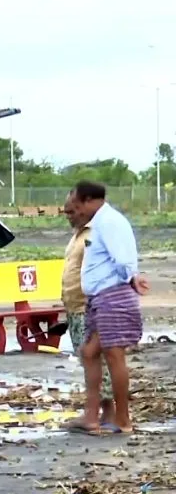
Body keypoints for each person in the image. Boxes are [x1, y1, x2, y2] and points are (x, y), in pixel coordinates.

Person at [66, 181, 148, 435]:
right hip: (100, 298)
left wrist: (131, 277)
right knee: (89, 352)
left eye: (77, 206)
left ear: (90, 201)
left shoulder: (110, 222)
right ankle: (91, 416)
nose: (77, 212)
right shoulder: (99, 223)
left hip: (113, 296)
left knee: (114, 356)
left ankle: (122, 419)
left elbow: (122, 260)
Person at [61, 194, 114, 428]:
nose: (68, 217)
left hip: (89, 308)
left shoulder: (96, 234)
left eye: (72, 212)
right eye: (66, 213)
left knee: (95, 361)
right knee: (87, 360)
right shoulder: (78, 235)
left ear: (84, 208)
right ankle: (99, 413)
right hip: (74, 307)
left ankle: (106, 413)